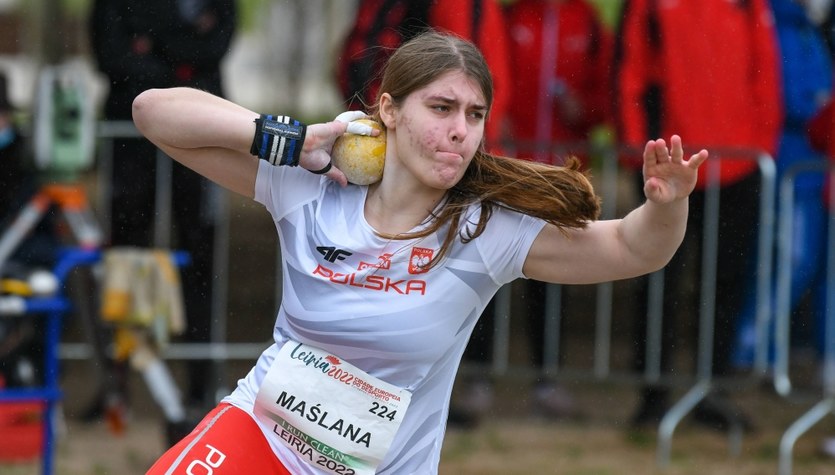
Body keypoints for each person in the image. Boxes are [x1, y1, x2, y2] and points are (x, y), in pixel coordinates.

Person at [135, 30, 706, 474]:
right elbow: (153, 112)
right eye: (441, 108)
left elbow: (634, 249)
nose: (460, 130)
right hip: (259, 438)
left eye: (474, 115)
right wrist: (288, 139)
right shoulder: (310, 187)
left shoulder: (486, 231)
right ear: (388, 110)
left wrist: (668, 204)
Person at [614, 0, 782, 430]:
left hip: (737, 162)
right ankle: (654, 392)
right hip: (670, 163)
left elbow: (764, 71)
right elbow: (631, 70)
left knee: (726, 280)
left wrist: (760, 147)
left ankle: (713, 390)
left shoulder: (747, 5)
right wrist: (637, 150)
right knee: (658, 278)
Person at [455, 0, 615, 423]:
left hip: (561, 174)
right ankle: (477, 377)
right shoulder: (508, 18)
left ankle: (548, 379)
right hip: (506, 170)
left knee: (553, 279)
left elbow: (607, 94)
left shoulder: (590, 23)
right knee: (484, 268)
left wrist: (587, 110)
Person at [89, 0, 237, 429]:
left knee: (202, 260)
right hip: (131, 145)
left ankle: (202, 384)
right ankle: (117, 387)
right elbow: (113, 58)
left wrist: (152, 45)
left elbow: (216, 48)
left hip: (202, 138)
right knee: (123, 263)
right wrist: (181, 58)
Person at [731, 0, 833, 371]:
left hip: (815, 165)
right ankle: (751, 348)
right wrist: (820, 108)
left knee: (813, 264)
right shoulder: (775, 24)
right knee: (790, 259)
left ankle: (810, 352)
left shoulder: (808, 29)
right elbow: (784, 97)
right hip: (792, 162)